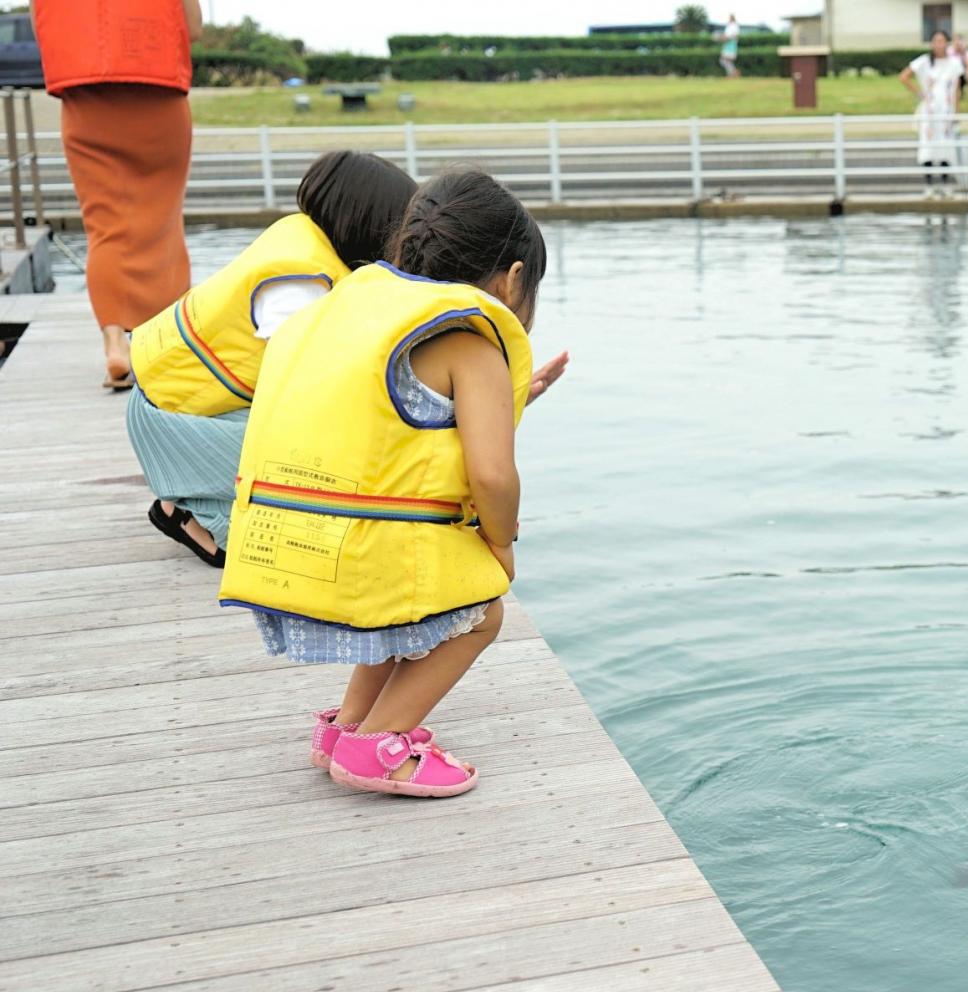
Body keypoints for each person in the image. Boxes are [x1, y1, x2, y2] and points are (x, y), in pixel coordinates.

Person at [218, 169, 570, 799]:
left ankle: (345, 725)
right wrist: (502, 543)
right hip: (364, 559)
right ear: (514, 278)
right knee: (476, 609)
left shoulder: (343, 312)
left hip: (286, 549)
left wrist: (511, 400)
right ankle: (377, 745)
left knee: (406, 603)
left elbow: (397, 438)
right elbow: (490, 475)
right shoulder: (469, 340)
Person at [126, 151, 417, 568]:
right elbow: (301, 387)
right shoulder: (302, 285)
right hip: (171, 424)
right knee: (320, 461)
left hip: (180, 406)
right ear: (369, 226)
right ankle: (189, 514)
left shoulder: (300, 239)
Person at [33, 0, 203, 390]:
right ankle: (166, 344)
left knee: (104, 227)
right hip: (159, 99)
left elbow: (43, 28)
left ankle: (115, 345)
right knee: (162, 224)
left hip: (86, 103)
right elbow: (191, 29)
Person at [899, 31, 965, 199]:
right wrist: (920, 94)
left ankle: (944, 185)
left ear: (947, 43)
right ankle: (929, 185)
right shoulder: (924, 62)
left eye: (942, 41)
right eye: (936, 41)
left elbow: (957, 89)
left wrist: (956, 111)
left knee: (945, 147)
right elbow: (904, 76)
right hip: (929, 111)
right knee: (928, 147)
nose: (939, 45)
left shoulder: (954, 64)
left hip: (946, 111)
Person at [719, 13, 740, 78]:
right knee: (724, 60)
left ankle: (732, 73)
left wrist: (725, 38)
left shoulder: (734, 26)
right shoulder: (729, 26)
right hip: (727, 44)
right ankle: (733, 73)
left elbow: (734, 36)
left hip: (731, 44)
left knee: (725, 60)